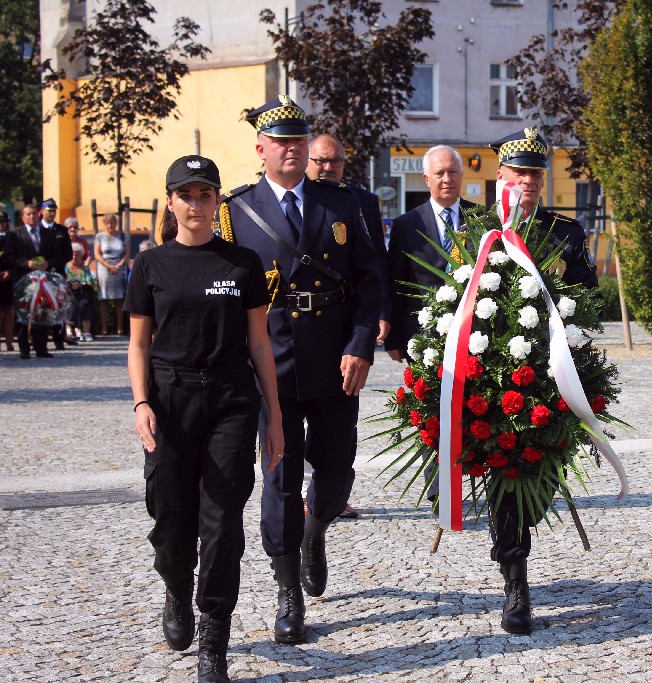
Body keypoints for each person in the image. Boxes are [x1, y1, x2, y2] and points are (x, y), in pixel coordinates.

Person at [217, 95, 382, 644]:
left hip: (336, 359)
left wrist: (361, 344)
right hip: (271, 362)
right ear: (261, 149)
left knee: (336, 472)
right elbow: (222, 294)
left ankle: (317, 529)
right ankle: (288, 590)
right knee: (281, 478)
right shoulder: (235, 211)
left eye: (298, 140)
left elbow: (369, 280)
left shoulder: (343, 204)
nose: (291, 149)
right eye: (280, 141)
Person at [126, 155, 284, 683]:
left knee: (221, 525)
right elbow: (138, 343)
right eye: (186, 194)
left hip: (229, 401)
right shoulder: (150, 265)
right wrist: (141, 402)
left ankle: (214, 635)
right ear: (170, 201)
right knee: (171, 522)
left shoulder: (243, 264)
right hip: (169, 402)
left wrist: (275, 417)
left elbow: (260, 344)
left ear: (218, 201)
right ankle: (176, 588)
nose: (196, 204)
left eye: (205, 194)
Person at [483, 128, 598, 635]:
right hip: (491, 378)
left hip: (554, 377)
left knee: (542, 474)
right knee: (508, 472)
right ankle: (516, 580)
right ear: (501, 176)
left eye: (535, 173)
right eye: (519, 172)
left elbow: (590, 300)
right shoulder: (479, 231)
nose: (528, 181)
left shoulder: (565, 234)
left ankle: (512, 536)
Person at [306, 132, 390, 521]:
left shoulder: (361, 201)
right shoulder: (293, 198)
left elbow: (374, 265)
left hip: (348, 323)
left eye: (335, 161)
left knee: (342, 420)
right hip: (303, 325)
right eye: (320, 160)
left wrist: (376, 316)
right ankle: (301, 497)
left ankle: (335, 495)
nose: (327, 167)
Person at [386, 145, 478, 361]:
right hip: (422, 334)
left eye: (452, 172)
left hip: (472, 336)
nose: (447, 179)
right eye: (440, 173)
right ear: (427, 179)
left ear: (461, 175)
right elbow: (395, 284)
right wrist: (394, 339)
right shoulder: (406, 225)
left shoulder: (480, 219)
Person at [10, 204, 65, 358]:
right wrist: (26, 263)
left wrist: (48, 263)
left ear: (39, 215)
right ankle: (24, 349)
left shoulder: (48, 234)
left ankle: (41, 348)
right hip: (23, 280)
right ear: (23, 217)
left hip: (43, 281)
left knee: (41, 314)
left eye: (34, 214)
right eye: (28, 214)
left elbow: (58, 255)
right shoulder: (15, 235)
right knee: (23, 315)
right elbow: (10, 256)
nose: (32, 217)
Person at [39, 199, 74, 348]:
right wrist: (40, 263)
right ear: (42, 211)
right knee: (40, 307)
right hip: (39, 274)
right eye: (49, 211)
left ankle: (59, 339)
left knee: (58, 306)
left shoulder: (61, 230)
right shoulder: (36, 229)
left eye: (54, 211)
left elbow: (68, 255)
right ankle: (39, 340)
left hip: (57, 273)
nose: (52, 213)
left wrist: (51, 263)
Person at [94, 213, 129, 336]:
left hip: (119, 267)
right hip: (104, 267)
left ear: (116, 223)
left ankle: (120, 327)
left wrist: (119, 265)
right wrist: (108, 266)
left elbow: (127, 253)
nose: (110, 225)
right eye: (107, 223)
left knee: (120, 298)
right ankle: (104, 327)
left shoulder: (123, 236)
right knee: (104, 298)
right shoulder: (100, 237)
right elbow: (97, 254)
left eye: (112, 222)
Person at [65, 242, 96, 342]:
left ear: (81, 255)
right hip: (68, 293)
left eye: (77, 254)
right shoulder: (65, 268)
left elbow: (90, 282)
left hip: (83, 293)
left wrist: (81, 284)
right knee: (69, 305)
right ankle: (69, 331)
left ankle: (86, 332)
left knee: (85, 304)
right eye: (72, 254)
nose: (74, 256)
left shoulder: (85, 269)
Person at [0, 212, 15, 351]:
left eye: (3, 221)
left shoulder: (12, 238)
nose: (1, 224)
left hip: (9, 278)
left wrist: (10, 272)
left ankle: (9, 341)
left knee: (9, 311)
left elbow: (16, 257)